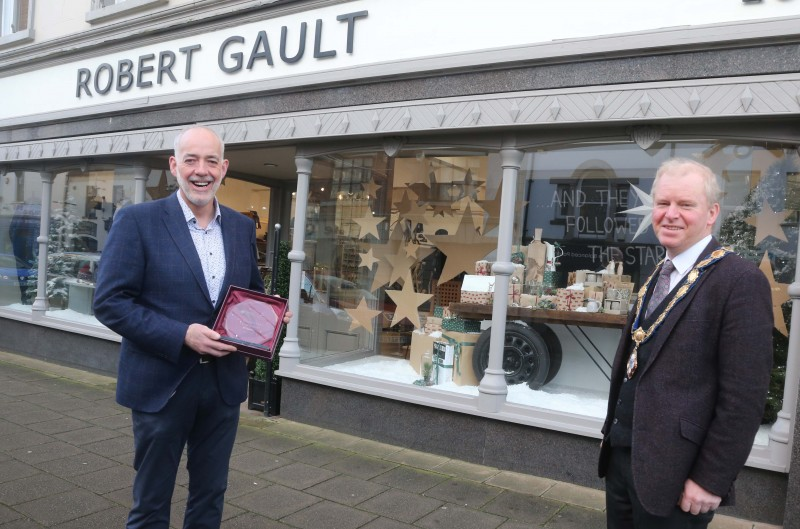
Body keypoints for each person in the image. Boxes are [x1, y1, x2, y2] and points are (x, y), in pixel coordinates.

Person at [94, 126, 291, 529]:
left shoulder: (238, 226)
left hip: (222, 387)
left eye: (211, 161)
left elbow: (247, 292)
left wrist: (267, 314)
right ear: (174, 166)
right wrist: (182, 334)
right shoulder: (137, 221)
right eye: (191, 160)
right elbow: (110, 303)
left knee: (210, 495)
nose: (201, 171)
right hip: (161, 383)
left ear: (224, 168)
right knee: (151, 501)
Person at [598, 158, 773, 529]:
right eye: (662, 204)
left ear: (711, 214)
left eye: (685, 205)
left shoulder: (739, 281)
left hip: (679, 476)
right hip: (622, 459)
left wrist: (712, 478)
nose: (670, 214)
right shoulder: (661, 271)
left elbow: (744, 397)